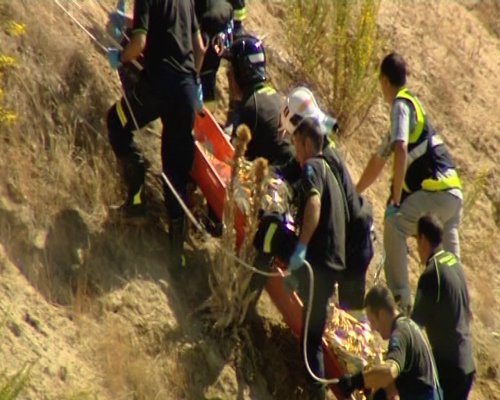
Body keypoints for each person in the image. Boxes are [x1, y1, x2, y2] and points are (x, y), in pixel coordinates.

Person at [356, 52, 463, 312]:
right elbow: (379, 159)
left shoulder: (401, 105)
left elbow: (400, 148)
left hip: (435, 193)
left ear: (384, 80)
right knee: (449, 264)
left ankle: (401, 303)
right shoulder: (414, 107)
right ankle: (457, 311)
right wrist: (355, 191)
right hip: (452, 196)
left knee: (394, 223)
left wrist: (395, 201)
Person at [105, 0, 205, 270]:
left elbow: (139, 42)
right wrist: (194, 80)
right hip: (185, 93)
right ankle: (176, 258)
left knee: (116, 121)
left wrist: (121, 57)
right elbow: (200, 49)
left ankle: (136, 201)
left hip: (157, 86)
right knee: (175, 174)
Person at [280, 86, 374, 313]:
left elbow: (322, 208)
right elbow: (289, 170)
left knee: (349, 318)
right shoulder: (321, 150)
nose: (293, 144)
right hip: (353, 237)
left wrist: (303, 248)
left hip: (353, 243)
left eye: (295, 139)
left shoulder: (322, 162)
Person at [286, 117, 346, 400]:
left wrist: (300, 248)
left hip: (320, 262)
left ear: (308, 144)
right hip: (333, 262)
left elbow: (313, 203)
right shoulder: (331, 172)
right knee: (314, 335)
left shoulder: (312, 167)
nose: (297, 154)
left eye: (297, 146)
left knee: (310, 343)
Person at [338, 284, 442, 399]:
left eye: (372, 321)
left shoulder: (400, 334)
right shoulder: (407, 326)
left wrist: (356, 381)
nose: (372, 328)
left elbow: (389, 371)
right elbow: (393, 387)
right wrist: (373, 384)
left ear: (382, 314)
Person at [412, 214, 475, 399]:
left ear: (423, 240)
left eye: (417, 240)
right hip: (467, 365)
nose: (417, 248)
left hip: (449, 370)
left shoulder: (431, 274)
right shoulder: (454, 262)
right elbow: (468, 312)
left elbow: (414, 326)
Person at [224, 34, 296, 167]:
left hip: (275, 174)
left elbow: (233, 156)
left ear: (242, 72)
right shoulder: (273, 95)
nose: (227, 74)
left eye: (231, 69)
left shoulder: (250, 107)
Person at [195, 0, 234, 112]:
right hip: (216, 53)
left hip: (204, 53)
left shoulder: (200, 10)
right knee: (209, 81)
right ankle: (208, 113)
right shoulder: (227, 7)